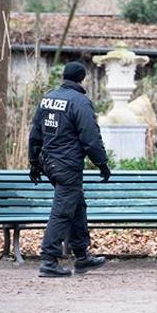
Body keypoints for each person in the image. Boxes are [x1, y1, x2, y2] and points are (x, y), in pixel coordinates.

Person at [28, 61, 111, 278]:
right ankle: (49, 260)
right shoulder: (80, 102)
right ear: (82, 79)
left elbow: (36, 132)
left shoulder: (48, 98)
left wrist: (34, 161)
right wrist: (101, 163)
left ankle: (82, 256)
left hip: (49, 163)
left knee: (77, 205)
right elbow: (90, 138)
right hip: (66, 165)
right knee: (63, 210)